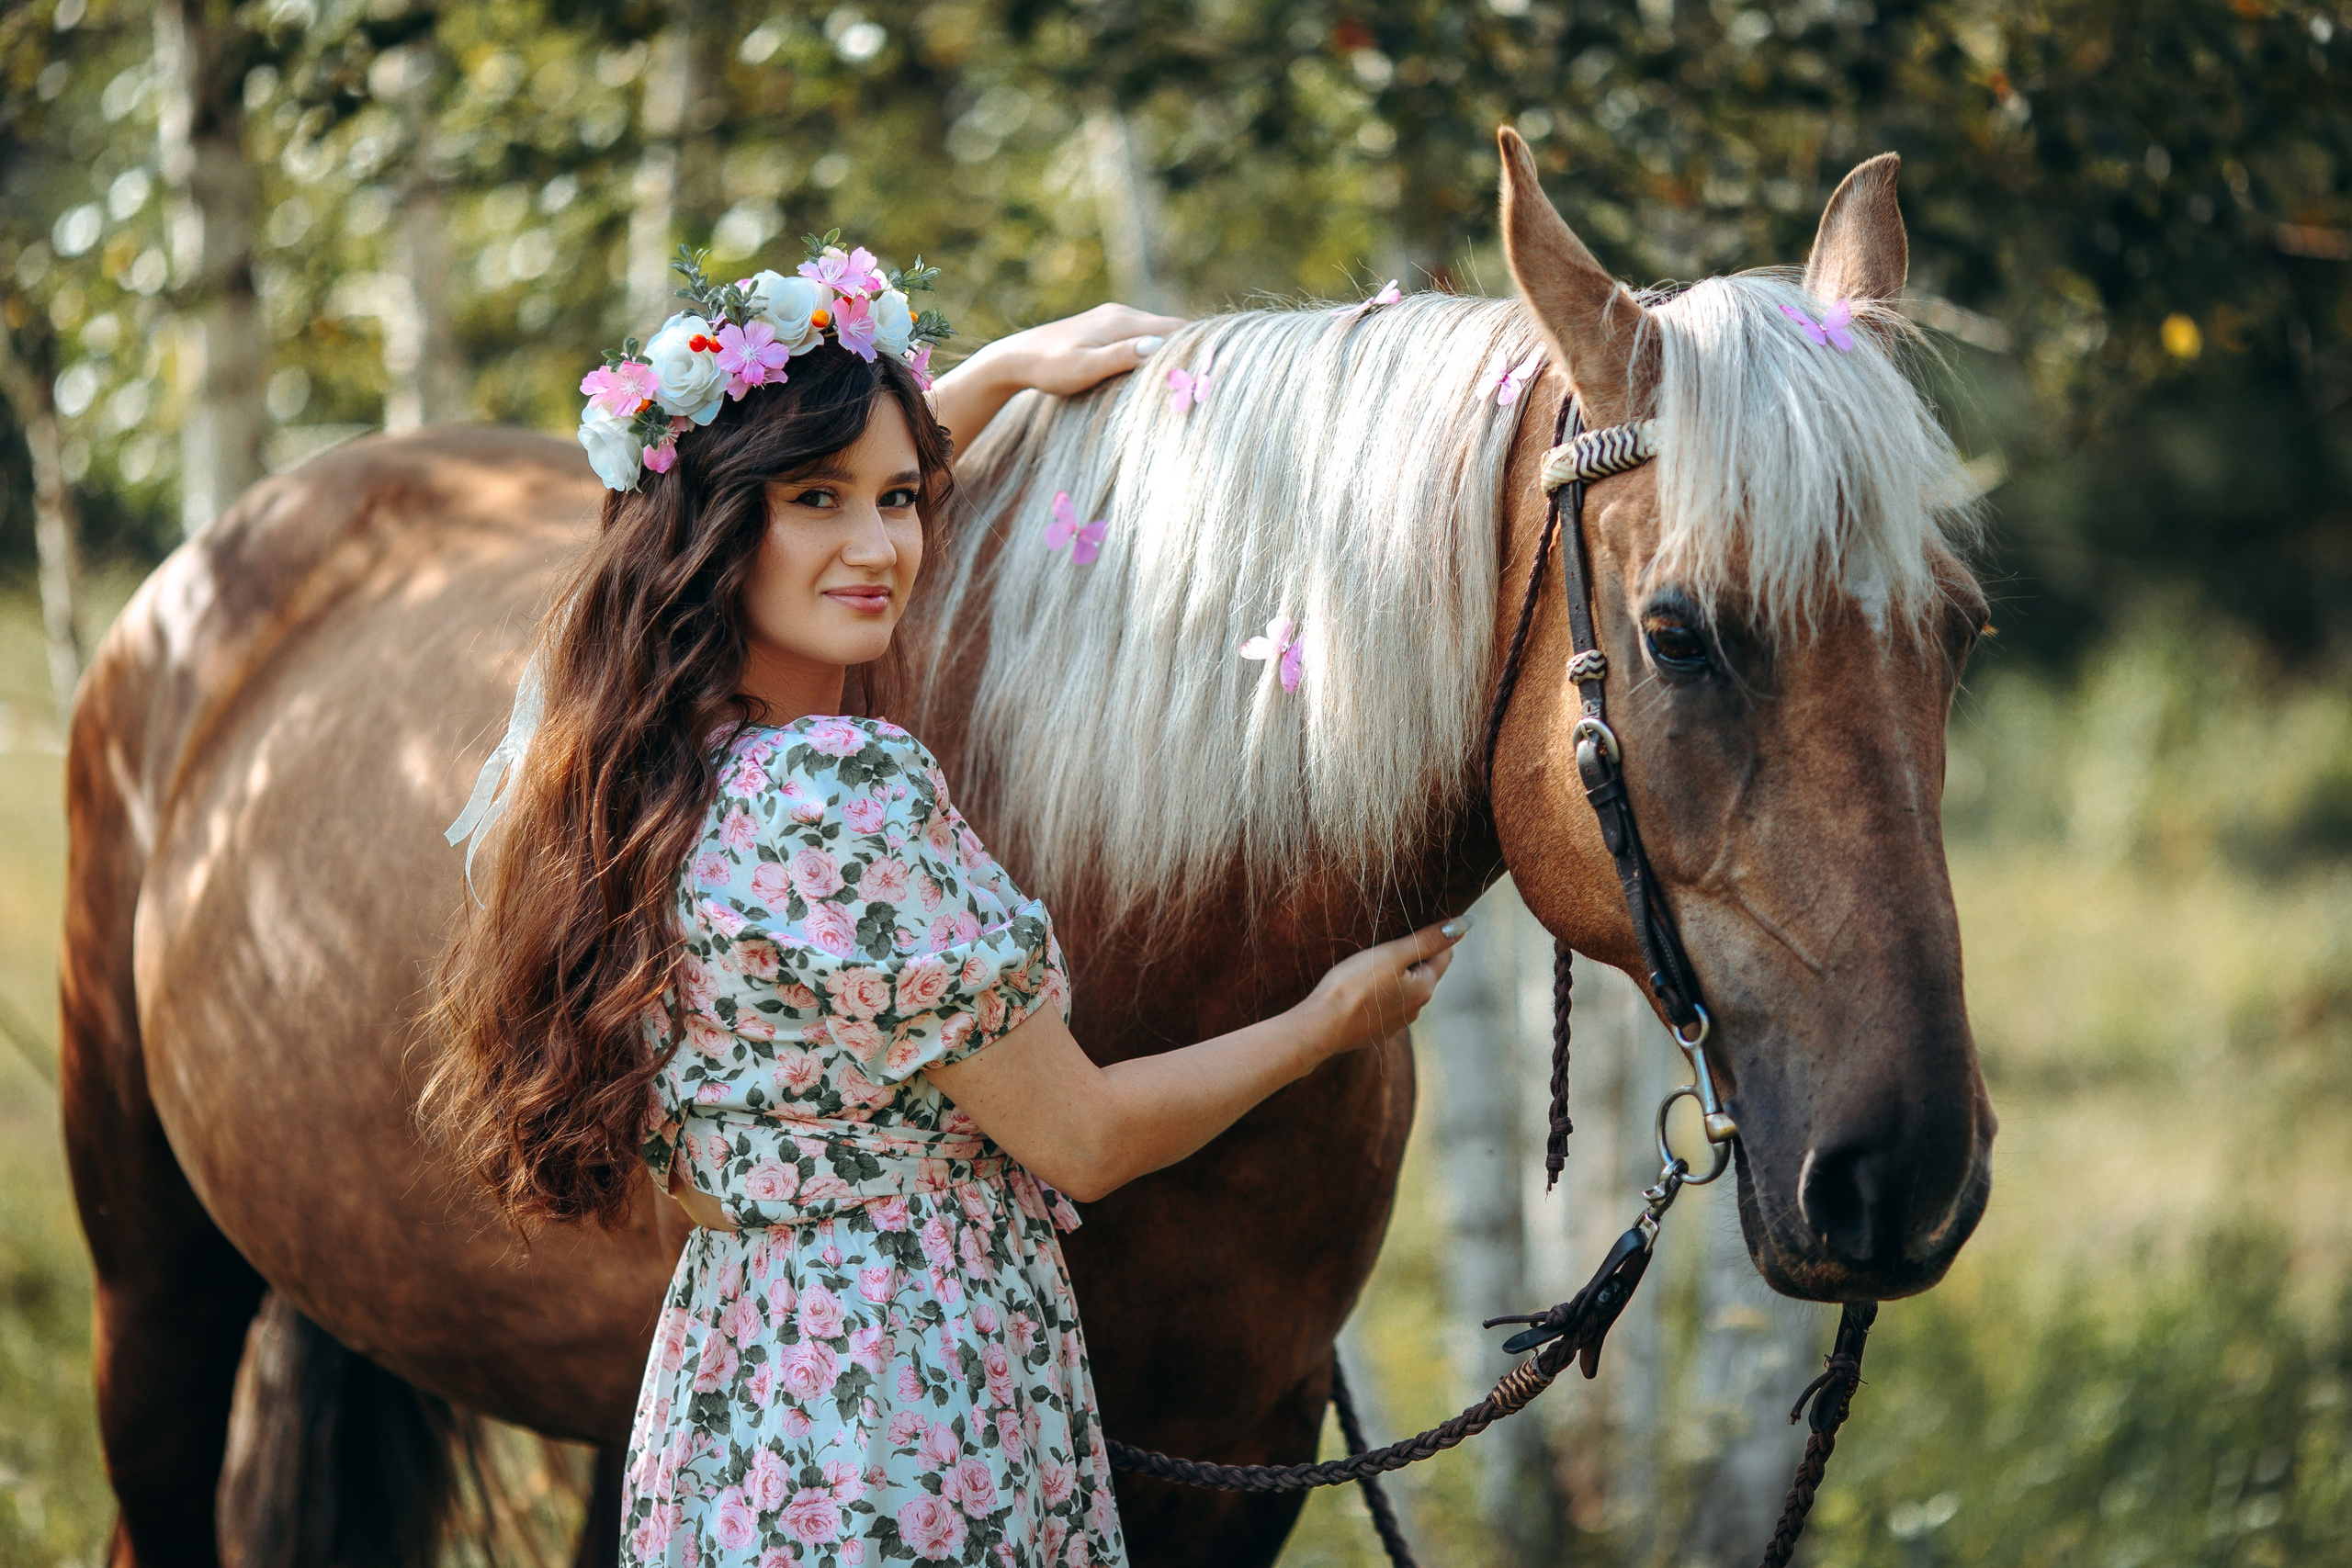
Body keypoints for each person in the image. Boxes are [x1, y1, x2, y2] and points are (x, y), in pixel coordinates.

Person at [426, 238, 1467, 1567]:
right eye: (819, 499)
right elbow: (1083, 1139)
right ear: (713, 525)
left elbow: (815, 512)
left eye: (903, 498)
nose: (881, 547)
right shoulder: (839, 795)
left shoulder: (629, 774)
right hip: (906, 1402)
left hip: (746, 1397)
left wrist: (999, 372)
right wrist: (1328, 1023)